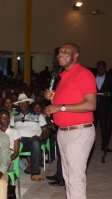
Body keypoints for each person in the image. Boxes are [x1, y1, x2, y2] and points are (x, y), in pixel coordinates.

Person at [44, 43, 97, 199]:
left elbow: (91, 104)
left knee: (75, 178)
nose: (61, 54)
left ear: (76, 55)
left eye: (66, 52)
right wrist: (52, 102)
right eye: (60, 52)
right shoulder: (62, 76)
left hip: (79, 131)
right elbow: (61, 105)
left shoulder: (83, 74)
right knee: (68, 176)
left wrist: (60, 108)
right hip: (64, 132)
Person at [11, 93, 51, 181]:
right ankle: (10, 171)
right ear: (18, 105)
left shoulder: (38, 115)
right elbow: (9, 130)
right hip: (18, 140)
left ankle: (35, 173)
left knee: (36, 143)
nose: (22, 105)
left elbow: (47, 131)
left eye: (24, 102)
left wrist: (40, 138)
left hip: (32, 140)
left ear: (29, 103)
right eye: (20, 103)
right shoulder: (14, 116)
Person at [94, 60, 112, 151]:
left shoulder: (110, 78)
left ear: (105, 68)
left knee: (104, 126)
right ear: (97, 68)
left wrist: (108, 93)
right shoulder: (92, 77)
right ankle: (90, 146)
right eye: (99, 68)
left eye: (102, 68)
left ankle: (104, 145)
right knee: (92, 127)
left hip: (104, 106)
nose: (101, 70)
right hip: (92, 106)